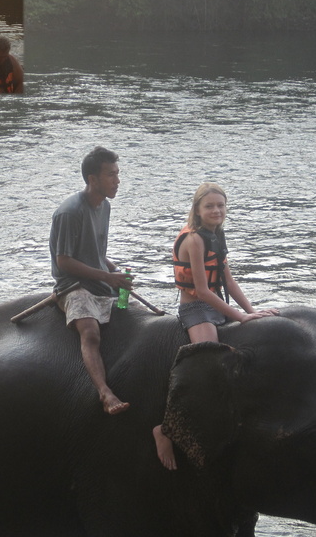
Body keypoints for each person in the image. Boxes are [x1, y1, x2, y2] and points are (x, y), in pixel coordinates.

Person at [152, 183, 279, 470]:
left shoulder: (216, 236)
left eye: (220, 206)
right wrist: (239, 317)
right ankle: (164, 429)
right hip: (196, 308)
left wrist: (252, 311)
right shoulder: (195, 240)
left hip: (217, 304)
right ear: (197, 209)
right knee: (207, 364)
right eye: (209, 206)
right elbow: (201, 290)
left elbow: (228, 281)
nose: (216, 211)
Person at [50, 147, 133, 415]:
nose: (117, 181)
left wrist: (115, 272)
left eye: (117, 174)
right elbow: (64, 261)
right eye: (111, 175)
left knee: (131, 313)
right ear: (92, 179)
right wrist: (107, 276)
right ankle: (104, 392)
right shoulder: (70, 212)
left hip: (99, 280)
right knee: (90, 332)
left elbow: (97, 252)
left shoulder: (104, 206)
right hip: (72, 286)